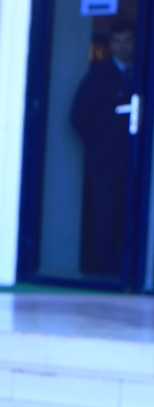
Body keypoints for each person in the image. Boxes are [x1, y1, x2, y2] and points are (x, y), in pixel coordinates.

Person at [71, 20, 135, 277]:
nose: (123, 47)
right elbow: (78, 117)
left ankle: (126, 273)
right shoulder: (98, 77)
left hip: (132, 165)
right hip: (104, 167)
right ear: (110, 45)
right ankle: (107, 277)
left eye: (127, 41)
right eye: (118, 41)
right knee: (104, 224)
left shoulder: (140, 74)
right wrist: (101, 145)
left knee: (128, 222)